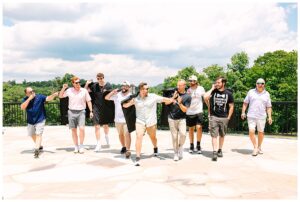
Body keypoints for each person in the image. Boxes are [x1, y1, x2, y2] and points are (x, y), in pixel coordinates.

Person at [123, 82, 174, 166]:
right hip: (140, 121)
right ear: (140, 90)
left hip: (151, 122)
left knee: (153, 137)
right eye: (144, 89)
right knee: (139, 136)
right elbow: (126, 105)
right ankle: (138, 157)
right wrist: (126, 103)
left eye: (147, 89)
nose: (146, 90)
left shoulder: (153, 96)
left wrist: (172, 99)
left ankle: (155, 147)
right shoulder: (135, 99)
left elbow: (164, 99)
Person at [20, 87, 58, 158]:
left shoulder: (40, 97)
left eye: (33, 91)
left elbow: (48, 98)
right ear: (26, 93)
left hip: (40, 119)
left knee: (38, 134)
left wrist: (53, 95)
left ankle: (36, 150)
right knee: (32, 134)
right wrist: (29, 99)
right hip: (31, 120)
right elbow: (22, 107)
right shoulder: (25, 99)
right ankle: (39, 145)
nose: (32, 92)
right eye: (30, 92)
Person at [59, 76, 93, 154]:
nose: (78, 84)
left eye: (79, 82)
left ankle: (81, 145)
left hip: (81, 111)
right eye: (76, 83)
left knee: (82, 129)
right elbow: (60, 96)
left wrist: (91, 111)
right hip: (71, 112)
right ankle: (76, 146)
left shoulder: (84, 90)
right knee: (73, 130)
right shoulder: (69, 90)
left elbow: (89, 101)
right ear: (73, 83)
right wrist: (63, 88)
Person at [204, 76, 234, 161]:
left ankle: (220, 149)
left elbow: (231, 106)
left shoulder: (229, 94)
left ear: (223, 83)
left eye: (218, 82)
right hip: (214, 116)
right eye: (216, 82)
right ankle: (214, 152)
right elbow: (205, 97)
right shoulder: (213, 92)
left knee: (222, 135)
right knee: (214, 135)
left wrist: (228, 117)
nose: (217, 84)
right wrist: (212, 88)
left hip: (224, 117)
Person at [241, 78, 272, 156]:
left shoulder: (267, 94)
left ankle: (259, 146)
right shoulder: (251, 92)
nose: (260, 85)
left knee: (261, 132)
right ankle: (255, 147)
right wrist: (243, 112)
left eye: (262, 83)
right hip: (251, 115)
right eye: (258, 83)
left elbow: (268, 106)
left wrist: (270, 117)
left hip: (262, 116)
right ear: (256, 84)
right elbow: (245, 103)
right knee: (251, 131)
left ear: (264, 84)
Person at [85, 73, 112, 152]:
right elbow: (85, 91)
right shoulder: (94, 86)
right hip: (96, 108)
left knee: (105, 126)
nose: (100, 80)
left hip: (105, 108)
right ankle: (98, 143)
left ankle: (106, 136)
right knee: (97, 126)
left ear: (103, 78)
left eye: (101, 78)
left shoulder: (108, 85)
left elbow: (111, 95)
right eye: (98, 78)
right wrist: (87, 84)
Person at [105, 81, 132, 158]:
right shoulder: (117, 95)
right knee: (120, 134)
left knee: (127, 134)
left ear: (129, 87)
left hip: (127, 119)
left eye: (126, 86)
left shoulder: (131, 96)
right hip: (117, 119)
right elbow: (107, 98)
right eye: (122, 86)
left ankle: (128, 150)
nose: (124, 87)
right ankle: (123, 147)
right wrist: (113, 92)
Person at [167, 79, 192, 161]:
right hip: (171, 118)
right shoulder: (172, 93)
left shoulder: (188, 96)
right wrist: (173, 97)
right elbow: (166, 103)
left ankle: (180, 146)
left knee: (183, 134)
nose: (177, 87)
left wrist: (180, 103)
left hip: (182, 119)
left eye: (180, 85)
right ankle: (175, 153)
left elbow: (185, 110)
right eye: (177, 85)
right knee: (174, 137)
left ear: (184, 86)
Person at [186, 75, 206, 154]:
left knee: (199, 127)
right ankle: (191, 145)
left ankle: (198, 145)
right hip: (189, 112)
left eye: (192, 81)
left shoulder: (201, 88)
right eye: (189, 81)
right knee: (191, 129)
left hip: (198, 111)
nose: (190, 82)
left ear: (196, 81)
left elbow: (205, 98)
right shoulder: (188, 90)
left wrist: (209, 107)